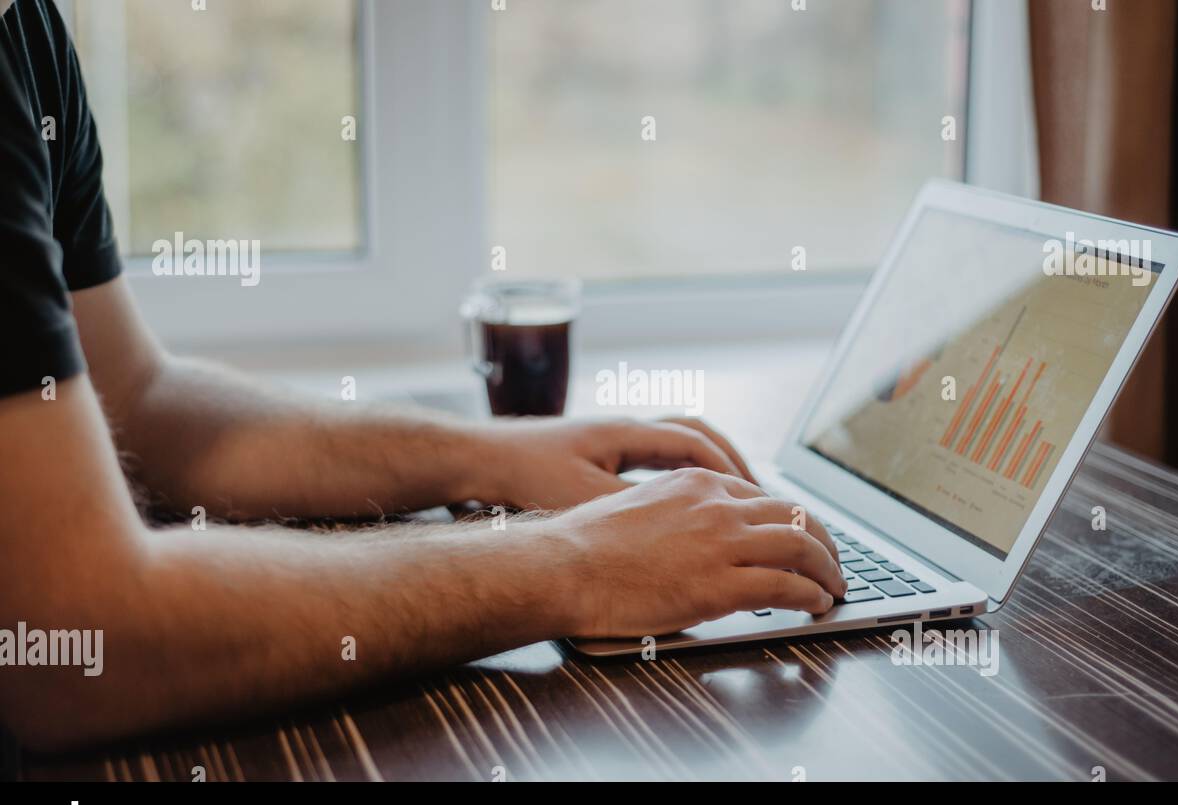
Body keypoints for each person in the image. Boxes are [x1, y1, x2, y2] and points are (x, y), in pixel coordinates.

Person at [0, 0, 842, 753]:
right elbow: (79, 639)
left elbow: (138, 399)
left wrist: (487, 454)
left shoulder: (28, 31)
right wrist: (576, 562)